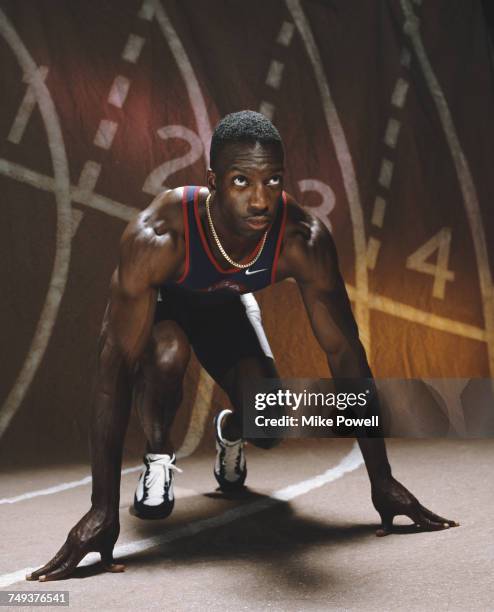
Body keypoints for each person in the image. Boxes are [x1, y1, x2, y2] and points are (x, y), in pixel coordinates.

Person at [27, 111, 457, 582]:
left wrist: (382, 480)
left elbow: (345, 353)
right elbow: (114, 371)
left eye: (273, 181)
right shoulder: (158, 237)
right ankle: (158, 455)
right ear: (213, 181)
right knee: (167, 356)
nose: (260, 199)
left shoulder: (302, 238)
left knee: (269, 424)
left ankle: (232, 426)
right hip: (166, 309)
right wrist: (101, 510)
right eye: (241, 181)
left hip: (225, 309)